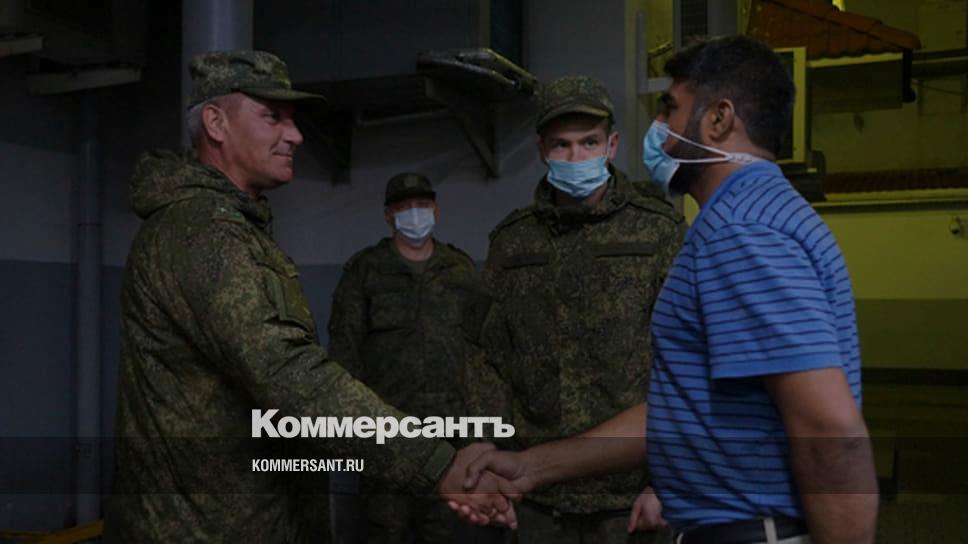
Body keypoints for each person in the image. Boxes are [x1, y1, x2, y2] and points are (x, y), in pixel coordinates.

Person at [460, 35, 878, 544]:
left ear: (718, 119)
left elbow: (829, 434)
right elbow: (680, 412)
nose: (658, 128)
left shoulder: (742, 234)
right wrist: (532, 467)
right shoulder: (745, 218)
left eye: (670, 109)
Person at [105, 50, 512, 544]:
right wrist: (436, 463)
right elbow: (289, 374)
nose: (295, 135)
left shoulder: (234, 228)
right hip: (207, 528)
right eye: (272, 116)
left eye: (293, 119)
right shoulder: (202, 233)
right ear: (216, 123)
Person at [481, 75, 685, 543]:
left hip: (629, 497)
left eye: (589, 142)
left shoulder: (659, 232)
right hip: (535, 493)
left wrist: (667, 481)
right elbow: (488, 357)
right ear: (542, 151)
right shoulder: (512, 241)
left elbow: (683, 364)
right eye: (563, 145)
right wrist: (488, 449)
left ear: (611, 145)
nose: (576, 157)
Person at [328, 173, 494, 543]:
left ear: (436, 209)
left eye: (422, 205)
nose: (415, 214)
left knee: (447, 533)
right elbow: (344, 359)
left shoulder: (460, 270)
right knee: (385, 532)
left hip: (452, 440)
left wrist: (481, 433)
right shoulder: (365, 272)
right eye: (404, 207)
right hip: (388, 437)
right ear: (389, 215)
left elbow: (485, 354)